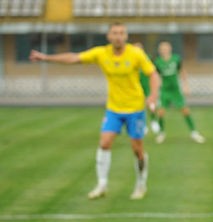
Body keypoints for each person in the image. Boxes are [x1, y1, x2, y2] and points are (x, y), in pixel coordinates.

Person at [30, 22, 159, 200]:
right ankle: (102, 185)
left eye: (122, 33)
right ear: (109, 36)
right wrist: (46, 57)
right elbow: (74, 58)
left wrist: (153, 96)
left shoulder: (136, 54)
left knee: (137, 149)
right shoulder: (101, 53)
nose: (118, 36)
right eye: (115, 33)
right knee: (104, 143)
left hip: (135, 108)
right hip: (113, 108)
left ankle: (141, 184)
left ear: (126, 36)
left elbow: (153, 74)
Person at [152, 41, 205, 144]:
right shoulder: (158, 62)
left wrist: (186, 86)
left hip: (175, 90)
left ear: (170, 48)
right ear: (159, 50)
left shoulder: (176, 59)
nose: (164, 50)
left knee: (185, 111)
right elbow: (155, 75)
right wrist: (156, 88)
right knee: (161, 112)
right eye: (162, 49)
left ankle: (194, 132)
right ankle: (161, 133)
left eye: (166, 48)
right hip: (165, 91)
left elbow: (182, 71)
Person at [133, 42, 158, 135]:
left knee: (150, 104)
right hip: (136, 85)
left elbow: (154, 71)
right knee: (139, 106)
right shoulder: (130, 59)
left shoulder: (148, 58)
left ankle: (154, 121)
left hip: (147, 84)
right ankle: (143, 125)